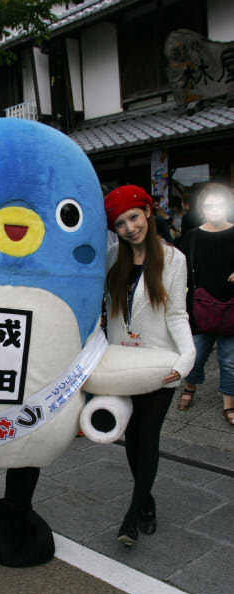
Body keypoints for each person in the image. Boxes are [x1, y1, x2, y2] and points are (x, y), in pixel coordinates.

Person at [104, 185, 196, 546]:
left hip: (160, 363)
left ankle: (132, 516)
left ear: (147, 212)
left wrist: (187, 357)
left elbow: (176, 314)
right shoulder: (113, 258)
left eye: (134, 217)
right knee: (132, 440)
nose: (130, 228)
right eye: (120, 223)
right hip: (122, 363)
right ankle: (147, 501)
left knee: (148, 436)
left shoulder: (174, 259)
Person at [177, 183, 234, 426]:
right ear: (202, 209)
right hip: (199, 309)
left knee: (230, 360)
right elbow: (178, 268)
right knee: (196, 355)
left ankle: (229, 403)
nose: (214, 209)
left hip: (231, 307)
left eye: (219, 204)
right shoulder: (192, 236)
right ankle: (189, 387)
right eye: (209, 205)